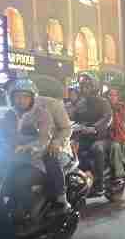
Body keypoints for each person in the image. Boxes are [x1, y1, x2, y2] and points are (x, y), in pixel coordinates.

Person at [6, 78, 74, 216]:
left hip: (52, 147)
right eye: (17, 97)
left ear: (33, 97)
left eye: (25, 96)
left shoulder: (48, 108)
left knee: (51, 157)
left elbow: (57, 132)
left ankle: (61, 199)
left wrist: (56, 142)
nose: (20, 100)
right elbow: (2, 132)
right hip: (23, 151)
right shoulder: (11, 113)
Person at [69, 73, 113, 196]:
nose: (85, 89)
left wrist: (94, 128)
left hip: (101, 137)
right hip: (84, 137)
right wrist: (66, 123)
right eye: (83, 87)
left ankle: (100, 183)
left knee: (97, 149)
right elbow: (73, 116)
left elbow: (107, 117)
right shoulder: (80, 103)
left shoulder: (103, 102)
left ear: (94, 87)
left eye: (87, 87)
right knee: (71, 149)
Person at [107, 88, 125, 179]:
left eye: (114, 95)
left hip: (124, 135)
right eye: (110, 95)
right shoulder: (106, 107)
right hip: (111, 137)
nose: (112, 97)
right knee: (115, 147)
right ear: (108, 97)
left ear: (117, 97)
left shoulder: (123, 106)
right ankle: (119, 173)